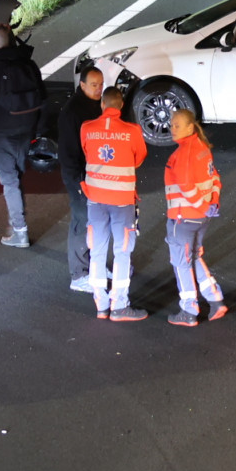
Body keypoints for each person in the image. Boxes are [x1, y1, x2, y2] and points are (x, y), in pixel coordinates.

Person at [0, 23, 45, 249]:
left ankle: (20, 231)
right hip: (27, 131)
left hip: (1, 134)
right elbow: (43, 99)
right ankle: (16, 221)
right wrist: (39, 130)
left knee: (9, 182)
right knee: (16, 178)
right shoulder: (30, 65)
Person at [81, 86, 148, 322]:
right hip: (122, 201)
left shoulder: (87, 129)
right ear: (120, 105)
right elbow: (138, 158)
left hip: (96, 200)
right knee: (122, 252)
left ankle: (100, 304)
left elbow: (86, 152)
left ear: (102, 104)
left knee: (97, 251)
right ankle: (119, 305)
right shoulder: (132, 131)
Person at [163, 109, 226, 327]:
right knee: (194, 257)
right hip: (202, 219)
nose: (173, 129)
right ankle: (215, 298)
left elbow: (186, 187)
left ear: (190, 127)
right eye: (172, 125)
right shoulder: (203, 148)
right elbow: (215, 178)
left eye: (177, 125)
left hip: (184, 218)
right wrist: (212, 204)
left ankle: (189, 310)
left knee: (181, 262)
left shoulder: (183, 153)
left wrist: (200, 206)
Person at [57, 67, 105, 293]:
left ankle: (96, 267)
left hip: (95, 175)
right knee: (81, 221)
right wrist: (78, 181)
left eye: (101, 85)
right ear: (82, 85)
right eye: (94, 85)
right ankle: (79, 274)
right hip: (80, 176)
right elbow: (68, 153)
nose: (98, 89)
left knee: (97, 222)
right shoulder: (72, 113)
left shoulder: (96, 106)